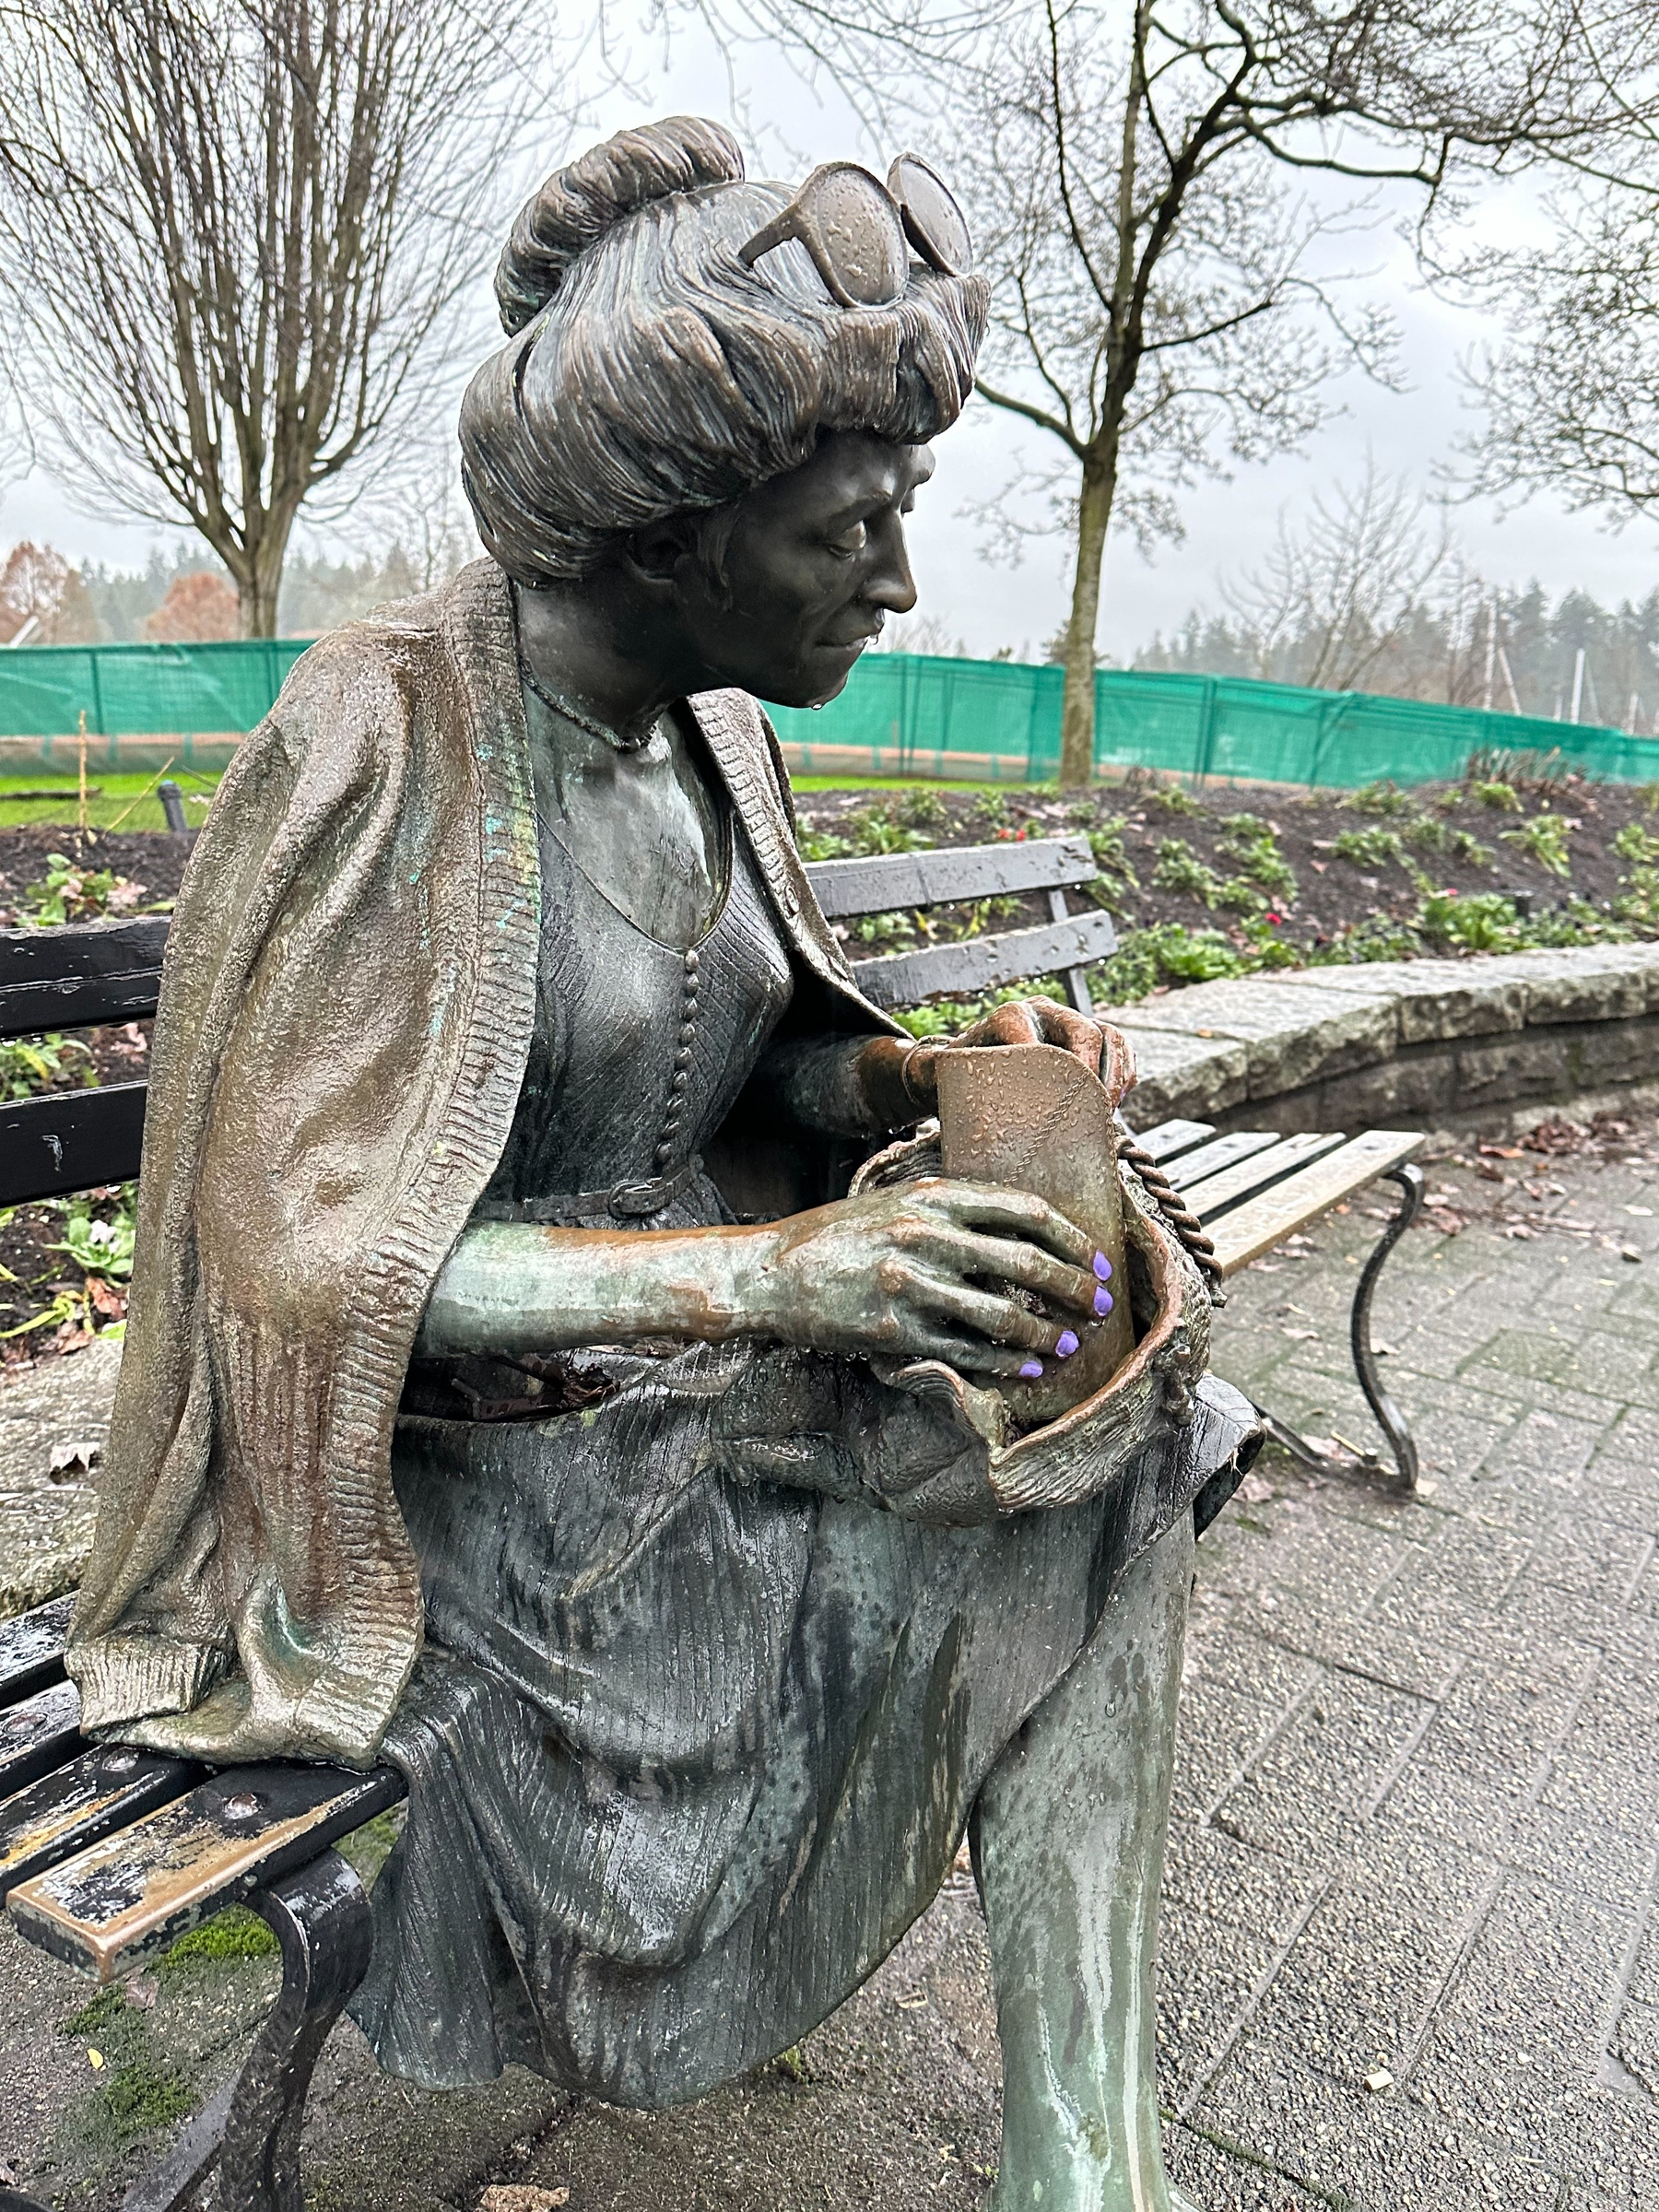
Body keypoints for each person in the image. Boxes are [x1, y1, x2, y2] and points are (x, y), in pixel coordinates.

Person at [66, 117, 1254, 2211]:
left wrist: (907, 1087)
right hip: (451, 1523)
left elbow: (737, 1062)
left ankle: (1092, 2176)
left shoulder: (717, 735)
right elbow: (302, 1274)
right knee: (1047, 1497)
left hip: (688, 1429)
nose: (895, 577)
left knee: (1130, 1446)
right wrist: (778, 1285)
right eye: (852, 525)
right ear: (677, 527)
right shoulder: (381, 742)